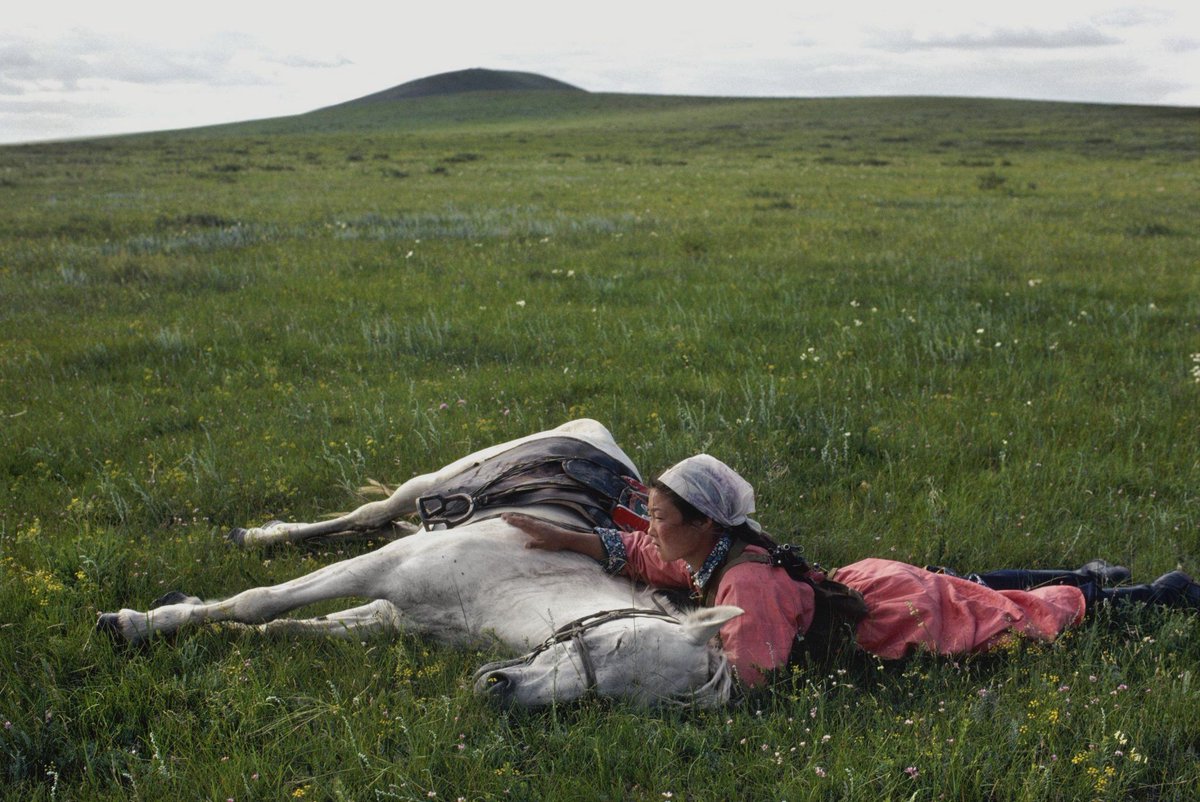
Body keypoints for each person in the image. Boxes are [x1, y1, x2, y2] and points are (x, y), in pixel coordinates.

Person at [503, 454, 1200, 688]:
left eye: (658, 513)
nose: (649, 525)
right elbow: (644, 556)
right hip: (867, 583)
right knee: (974, 586)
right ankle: (1088, 573)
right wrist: (564, 536)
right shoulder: (716, 553)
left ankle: (1152, 595)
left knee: (1013, 616)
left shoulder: (742, 586)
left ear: (705, 523)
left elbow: (751, 679)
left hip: (887, 619)